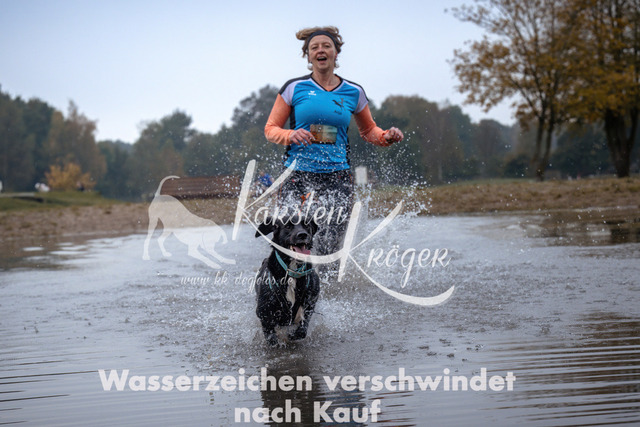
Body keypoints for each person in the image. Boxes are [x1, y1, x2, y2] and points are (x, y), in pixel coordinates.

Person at [264, 26, 404, 268]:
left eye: (326, 46)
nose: (321, 50)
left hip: (336, 176)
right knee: (290, 237)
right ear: (308, 55)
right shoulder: (294, 88)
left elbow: (369, 131)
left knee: (330, 243)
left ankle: (326, 287)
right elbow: (270, 129)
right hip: (297, 175)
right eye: (314, 47)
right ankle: (285, 281)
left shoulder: (353, 92)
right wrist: (290, 134)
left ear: (336, 53)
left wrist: (387, 136)